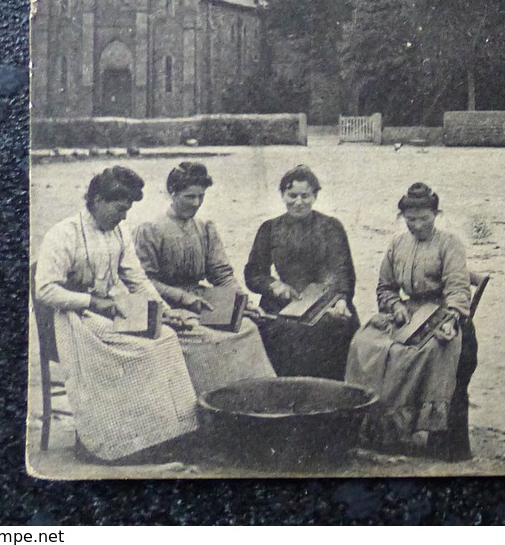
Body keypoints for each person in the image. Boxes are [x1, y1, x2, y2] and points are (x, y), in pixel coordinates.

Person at [33, 166, 199, 462]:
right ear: (97, 200)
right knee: (139, 351)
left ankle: (156, 433)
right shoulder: (63, 234)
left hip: (107, 313)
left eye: (128, 211)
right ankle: (105, 438)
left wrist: (165, 312)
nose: (124, 217)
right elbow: (45, 290)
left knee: (166, 337)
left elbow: (137, 279)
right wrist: (92, 302)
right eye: (119, 209)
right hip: (67, 320)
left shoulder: (119, 232)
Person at [344, 183, 477, 460]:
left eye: (424, 219)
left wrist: (451, 319)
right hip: (407, 312)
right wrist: (394, 305)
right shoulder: (397, 244)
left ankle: (425, 431)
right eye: (410, 219)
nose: (417, 225)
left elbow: (458, 289)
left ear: (436, 215)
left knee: (425, 352)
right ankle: (378, 430)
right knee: (365, 342)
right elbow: (385, 287)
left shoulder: (450, 244)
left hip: (443, 313)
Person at [132, 162, 275, 397]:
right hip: (166, 306)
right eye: (189, 197)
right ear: (173, 193)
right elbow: (143, 281)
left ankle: (252, 398)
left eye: (201, 196)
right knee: (208, 339)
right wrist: (182, 297)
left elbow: (221, 273)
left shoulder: (205, 227)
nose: (196, 203)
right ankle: (210, 401)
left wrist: (242, 302)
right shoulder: (150, 229)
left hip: (203, 302)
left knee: (246, 328)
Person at [244, 165, 360, 380]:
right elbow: (253, 273)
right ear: (282, 195)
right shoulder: (269, 228)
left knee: (332, 328)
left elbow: (343, 271)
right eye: (292, 195)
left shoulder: (331, 227)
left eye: (305, 196)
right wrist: (275, 286)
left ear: (315, 196)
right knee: (279, 331)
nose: (298, 202)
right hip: (285, 302)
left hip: (326, 301)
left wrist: (341, 299)